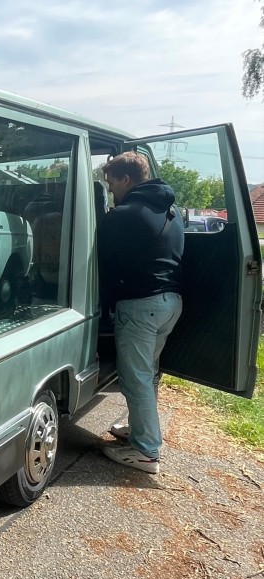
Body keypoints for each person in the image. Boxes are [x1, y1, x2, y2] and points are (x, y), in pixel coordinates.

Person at [98, 151, 184, 474]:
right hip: (170, 303)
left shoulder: (122, 215)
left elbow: (102, 263)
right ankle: (140, 431)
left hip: (141, 305)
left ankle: (146, 451)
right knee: (148, 372)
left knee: (135, 378)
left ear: (126, 179)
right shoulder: (170, 212)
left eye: (111, 183)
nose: (110, 191)